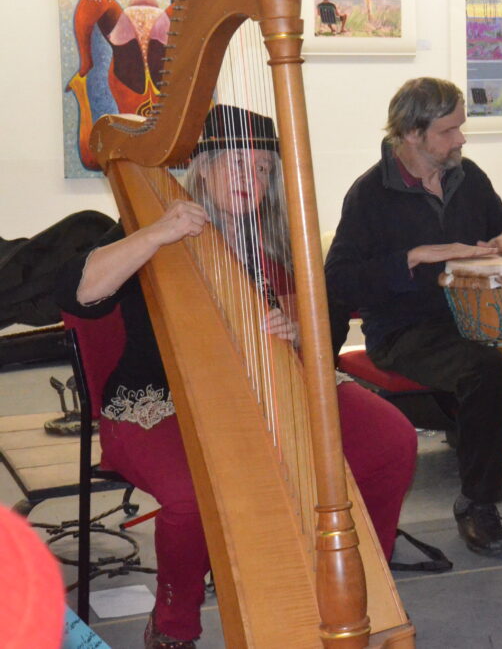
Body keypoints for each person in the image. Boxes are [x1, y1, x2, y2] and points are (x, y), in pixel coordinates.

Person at [56, 106, 417, 648]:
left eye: (263, 168)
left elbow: (321, 326)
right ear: (203, 168)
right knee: (190, 492)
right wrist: (157, 235)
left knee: (390, 439)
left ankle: (358, 579)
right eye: (235, 164)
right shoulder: (145, 221)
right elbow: (82, 293)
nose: (251, 179)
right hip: (154, 402)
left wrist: (296, 329)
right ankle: (173, 623)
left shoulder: (274, 236)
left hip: (270, 384)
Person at [324, 77, 502, 557]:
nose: (460, 140)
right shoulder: (369, 195)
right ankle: (478, 504)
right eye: (448, 131)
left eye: (460, 129)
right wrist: (411, 258)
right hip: (407, 329)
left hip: (480, 318)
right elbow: (340, 279)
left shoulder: (468, 178)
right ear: (411, 133)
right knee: (484, 370)